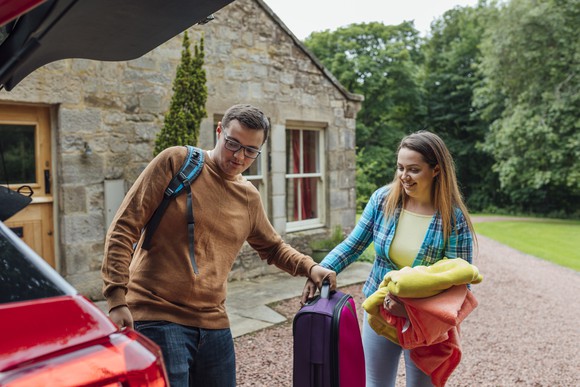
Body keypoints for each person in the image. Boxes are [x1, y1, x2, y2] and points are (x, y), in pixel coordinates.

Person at [102, 104, 336, 387]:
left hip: (214, 324)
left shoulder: (248, 197)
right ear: (219, 131)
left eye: (251, 150)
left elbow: (273, 247)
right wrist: (116, 297)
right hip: (157, 314)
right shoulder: (176, 162)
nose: (239, 156)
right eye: (233, 143)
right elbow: (124, 226)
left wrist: (311, 268)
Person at [303, 130, 475, 387]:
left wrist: (412, 311)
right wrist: (321, 269)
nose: (404, 176)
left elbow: (460, 285)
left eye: (414, 169)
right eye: (400, 168)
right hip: (379, 309)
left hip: (426, 324)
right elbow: (353, 244)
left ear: (436, 169)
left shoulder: (453, 218)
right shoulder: (383, 199)